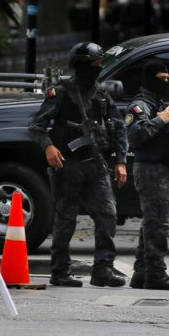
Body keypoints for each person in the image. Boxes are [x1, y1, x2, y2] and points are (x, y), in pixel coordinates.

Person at [29, 42, 128, 288]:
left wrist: (121, 161)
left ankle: (103, 269)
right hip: (69, 165)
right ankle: (60, 271)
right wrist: (49, 147)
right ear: (81, 66)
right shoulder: (62, 92)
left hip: (96, 165)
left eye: (99, 64)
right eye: (93, 64)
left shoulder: (101, 93)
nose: (97, 68)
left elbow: (118, 127)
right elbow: (37, 126)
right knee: (66, 219)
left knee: (108, 214)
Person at [126, 61, 169, 290]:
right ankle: (155, 273)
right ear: (150, 79)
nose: (166, 83)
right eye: (161, 78)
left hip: (166, 170)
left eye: (167, 78)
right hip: (150, 170)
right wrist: (160, 119)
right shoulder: (140, 106)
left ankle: (142, 272)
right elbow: (135, 136)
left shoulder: (159, 104)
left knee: (151, 223)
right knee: (157, 224)